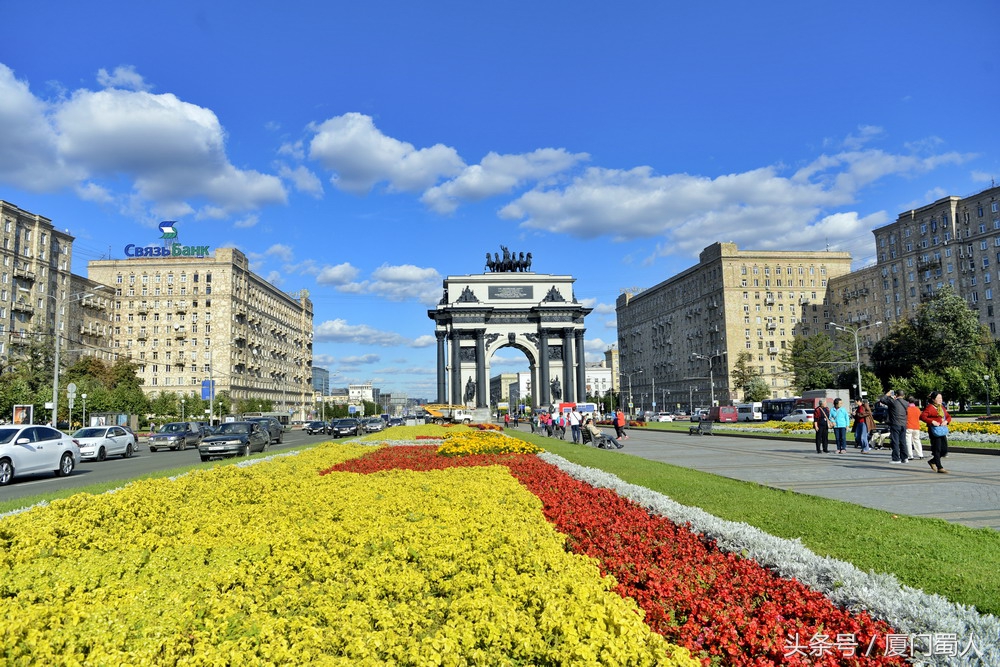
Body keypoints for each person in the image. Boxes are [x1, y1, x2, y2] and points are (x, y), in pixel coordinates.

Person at [920, 391, 952, 473]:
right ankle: (939, 467)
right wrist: (932, 421)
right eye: (938, 398)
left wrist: (946, 421)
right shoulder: (930, 407)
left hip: (942, 430)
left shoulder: (941, 407)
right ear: (934, 399)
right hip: (934, 431)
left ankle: (933, 461)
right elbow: (922, 416)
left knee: (944, 450)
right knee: (937, 449)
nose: (940, 400)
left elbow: (948, 416)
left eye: (941, 398)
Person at [879, 389, 910, 463]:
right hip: (903, 424)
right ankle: (904, 458)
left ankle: (896, 458)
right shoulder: (906, 403)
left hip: (895, 423)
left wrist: (887, 394)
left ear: (896, 395)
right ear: (904, 395)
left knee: (895, 441)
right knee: (903, 441)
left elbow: (882, 400)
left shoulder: (893, 402)